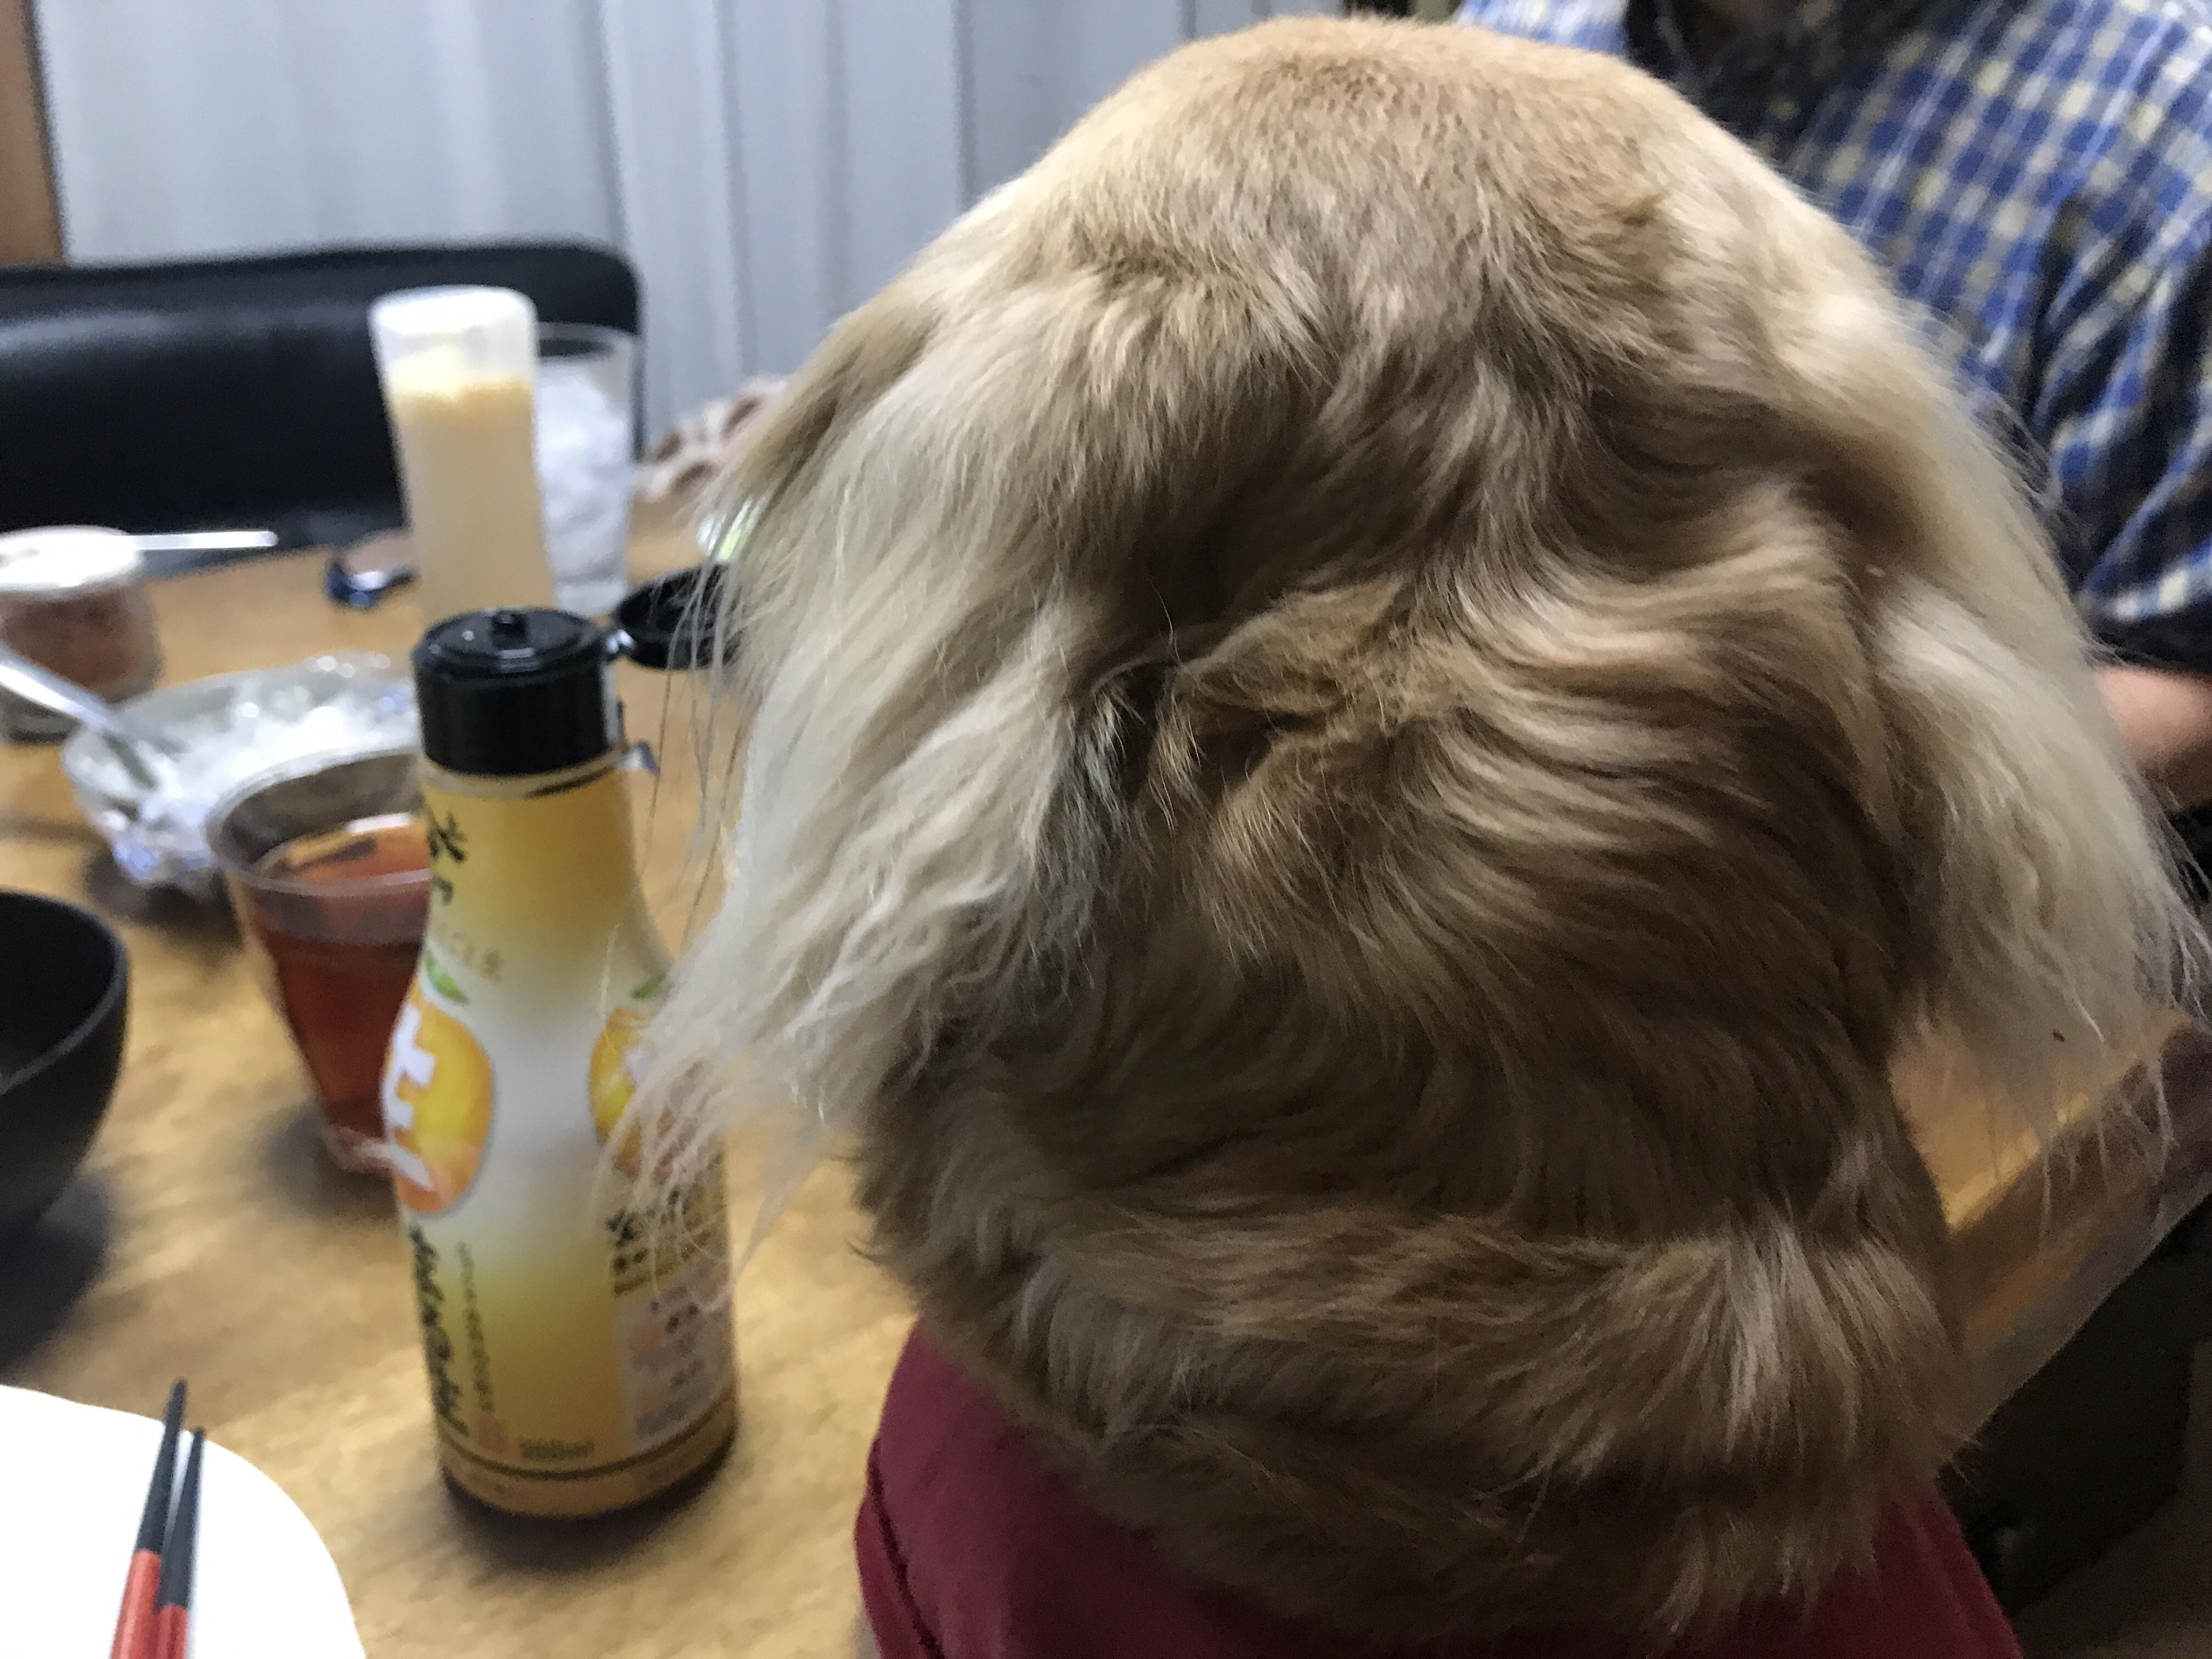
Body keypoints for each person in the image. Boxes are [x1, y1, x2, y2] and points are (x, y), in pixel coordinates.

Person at [1460, 0, 2212, 811]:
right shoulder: (1502, 38)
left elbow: (2189, 685)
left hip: (1865, 875)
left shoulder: (2168, 115)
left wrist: (1751, 832)